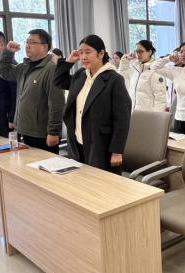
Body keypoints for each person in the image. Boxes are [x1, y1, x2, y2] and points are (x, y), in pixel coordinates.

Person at [54, 35, 131, 172]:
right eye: (80, 52)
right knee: (80, 181)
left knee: (99, 182)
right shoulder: (81, 75)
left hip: (101, 145)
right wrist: (68, 62)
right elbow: (59, 81)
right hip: (77, 142)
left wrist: (117, 151)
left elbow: (122, 119)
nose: (83, 57)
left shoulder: (114, 79)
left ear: (101, 53)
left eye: (88, 52)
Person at [0, 29, 65, 153]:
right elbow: (3, 71)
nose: (27, 45)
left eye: (32, 42)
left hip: (41, 134)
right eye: (27, 42)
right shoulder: (24, 67)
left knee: (44, 164)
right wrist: (8, 52)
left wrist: (54, 132)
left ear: (44, 47)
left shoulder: (52, 69)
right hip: (23, 130)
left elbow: (57, 103)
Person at [118, 40, 167, 111]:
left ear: (149, 52)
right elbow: (122, 75)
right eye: (136, 51)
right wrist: (125, 60)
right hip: (133, 112)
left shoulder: (156, 70)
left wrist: (156, 117)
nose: (138, 54)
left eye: (141, 51)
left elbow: (160, 99)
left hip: (148, 114)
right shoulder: (135, 67)